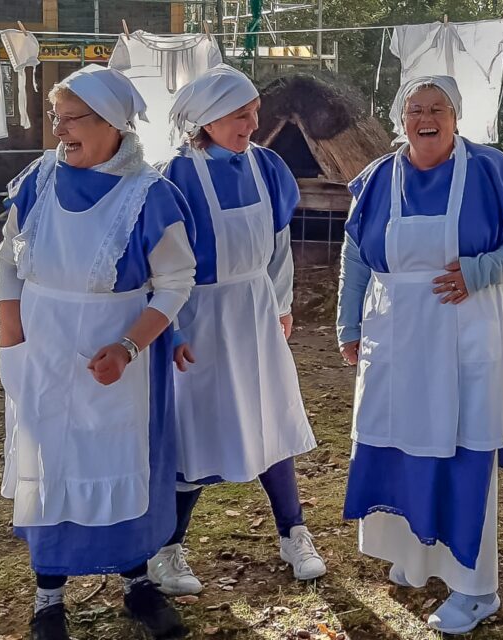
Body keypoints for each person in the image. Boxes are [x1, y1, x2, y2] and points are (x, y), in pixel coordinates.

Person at [336, 75, 503, 634]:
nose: (426, 118)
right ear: (402, 119)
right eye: (415, 109)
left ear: (456, 117)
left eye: (438, 108)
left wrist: (482, 271)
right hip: (395, 337)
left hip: (465, 335)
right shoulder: (378, 177)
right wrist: (347, 322)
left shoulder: (495, 171)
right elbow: (355, 257)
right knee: (400, 441)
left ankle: (475, 589)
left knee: (461, 450)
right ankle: (417, 556)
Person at [0, 64, 195, 640]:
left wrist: (131, 345)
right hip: (43, 349)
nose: (61, 131)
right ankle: (48, 596)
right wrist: (13, 336)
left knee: (117, 465)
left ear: (112, 123)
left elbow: (177, 280)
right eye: (57, 118)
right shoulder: (37, 179)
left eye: (73, 119)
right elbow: (9, 260)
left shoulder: (150, 194)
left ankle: (137, 583)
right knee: (50, 461)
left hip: (117, 363)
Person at [149, 64, 325, 593]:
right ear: (205, 120)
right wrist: (171, 328)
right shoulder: (172, 177)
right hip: (198, 316)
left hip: (254, 308)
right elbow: (161, 264)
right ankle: (167, 549)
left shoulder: (266, 167)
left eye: (253, 114)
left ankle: (293, 532)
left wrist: (281, 301)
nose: (251, 124)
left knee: (270, 419)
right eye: (239, 116)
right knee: (196, 431)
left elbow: (277, 246)